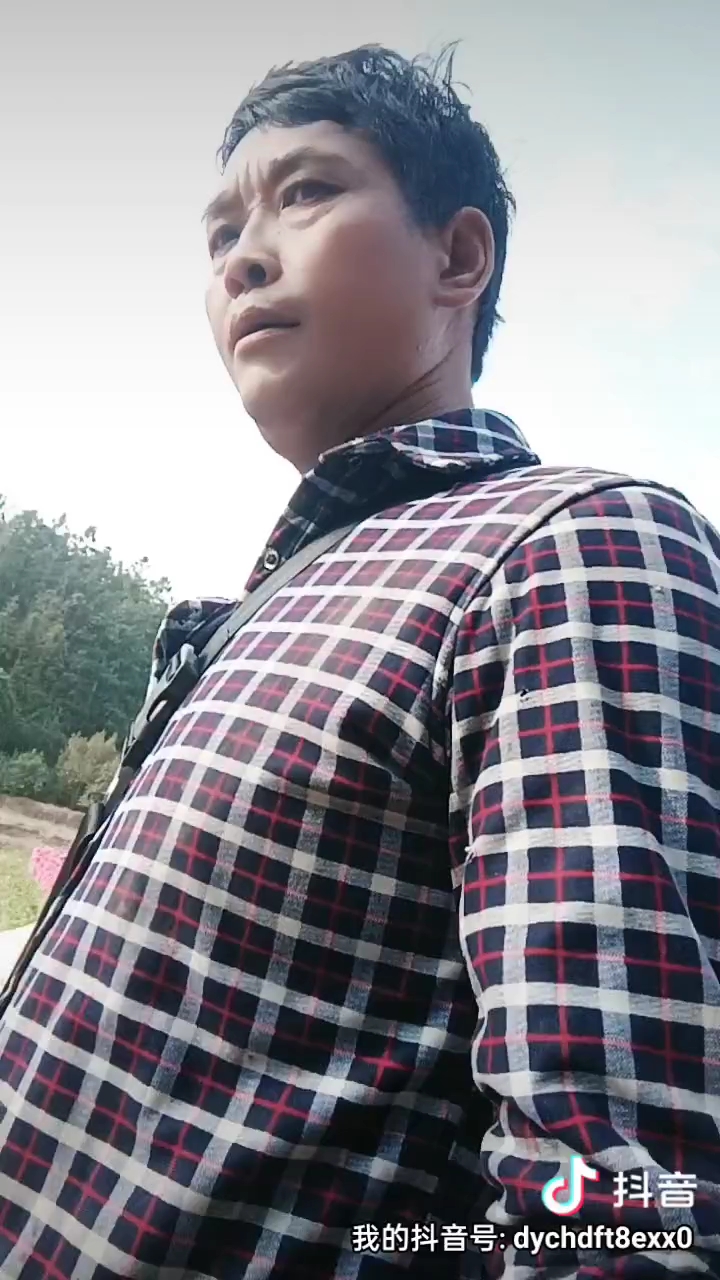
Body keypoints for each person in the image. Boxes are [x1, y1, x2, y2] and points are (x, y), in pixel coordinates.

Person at [0, 45, 718, 1280]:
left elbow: (620, 1205)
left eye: (307, 191)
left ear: (459, 258)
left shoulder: (569, 542)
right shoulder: (265, 606)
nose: (241, 257)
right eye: (221, 230)